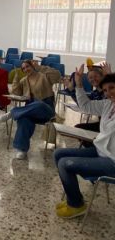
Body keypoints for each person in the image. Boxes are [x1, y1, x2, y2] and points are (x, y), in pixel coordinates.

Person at [53, 66, 115, 219]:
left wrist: (110, 75)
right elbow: (86, 106)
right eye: (106, 90)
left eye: (112, 88)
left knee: (65, 164)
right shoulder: (108, 104)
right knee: (58, 153)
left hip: (112, 160)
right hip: (101, 151)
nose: (109, 93)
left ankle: (76, 205)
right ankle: (75, 198)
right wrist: (79, 84)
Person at [0, 60, 61, 159]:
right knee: (24, 119)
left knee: (39, 104)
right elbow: (16, 93)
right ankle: (22, 150)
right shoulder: (24, 80)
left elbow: (57, 75)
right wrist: (16, 79)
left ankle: (13, 112)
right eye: (23, 68)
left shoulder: (44, 76)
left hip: (46, 110)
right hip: (31, 111)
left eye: (28, 66)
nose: (26, 69)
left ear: (33, 66)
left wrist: (40, 67)